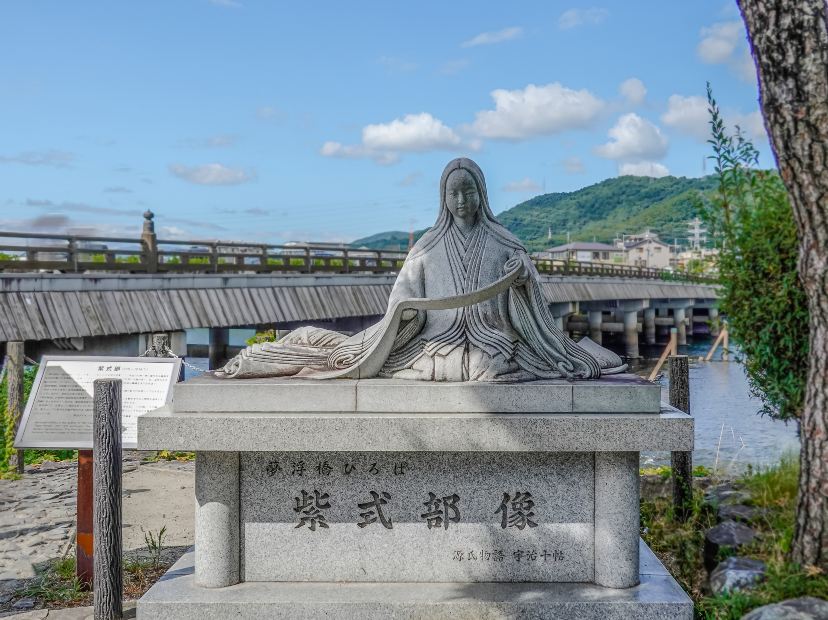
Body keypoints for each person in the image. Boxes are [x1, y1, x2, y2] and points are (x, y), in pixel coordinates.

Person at [218, 158, 625, 380]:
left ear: (481, 194)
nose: (461, 201)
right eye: (454, 193)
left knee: (489, 367)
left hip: (494, 339)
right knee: (353, 355)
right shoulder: (427, 247)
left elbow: (531, 300)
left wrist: (522, 278)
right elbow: (402, 301)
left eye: (468, 192)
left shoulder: (505, 243)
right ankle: (296, 345)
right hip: (435, 339)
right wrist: (409, 314)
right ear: (443, 198)